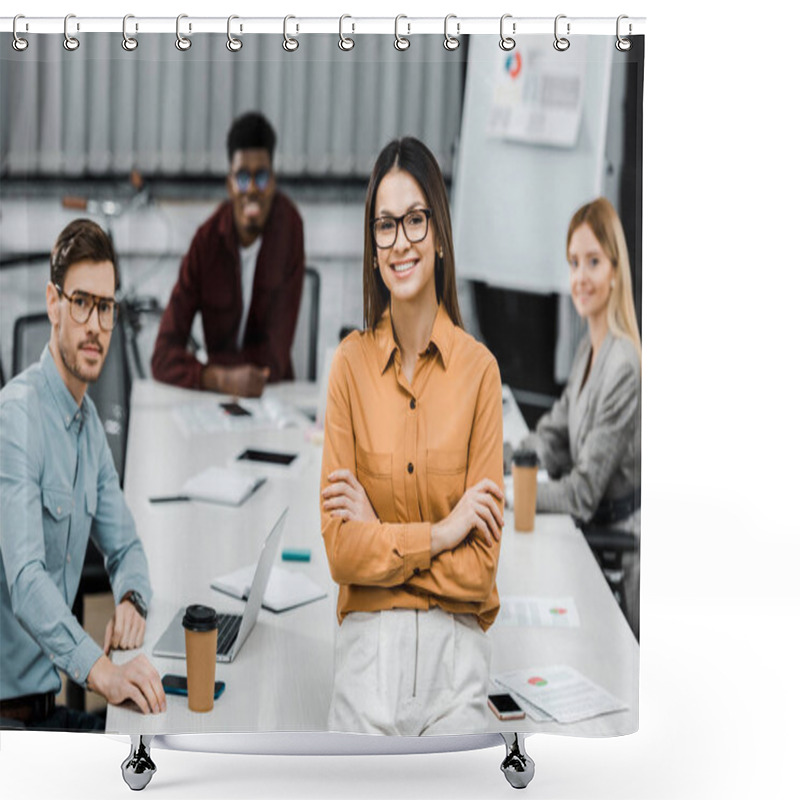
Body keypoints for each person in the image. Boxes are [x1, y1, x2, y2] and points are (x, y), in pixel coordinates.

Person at [320, 137, 505, 736]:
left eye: (415, 220)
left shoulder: (479, 374)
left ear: (440, 234)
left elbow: (479, 574)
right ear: (373, 249)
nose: (400, 241)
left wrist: (384, 539)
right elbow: (341, 553)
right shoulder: (349, 365)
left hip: (457, 664)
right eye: (384, 225)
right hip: (367, 657)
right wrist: (446, 530)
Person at [0, 219, 166, 730]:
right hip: (12, 723)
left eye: (106, 307)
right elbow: (26, 581)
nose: (95, 324)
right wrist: (102, 671)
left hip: (48, 708)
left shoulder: (87, 426)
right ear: (53, 303)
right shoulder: (16, 418)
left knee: (159, 753)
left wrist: (132, 599)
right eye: (81, 302)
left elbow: (126, 547)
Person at [519, 197, 641, 637]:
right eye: (573, 263)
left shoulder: (623, 364)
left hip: (618, 559)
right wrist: (500, 461)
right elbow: (554, 433)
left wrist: (514, 494)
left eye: (593, 262)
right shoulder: (589, 349)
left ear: (615, 270)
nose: (580, 277)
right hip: (590, 538)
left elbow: (585, 492)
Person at [151, 111, 305, 397]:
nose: (252, 191)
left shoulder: (289, 229)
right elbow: (162, 355)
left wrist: (209, 367)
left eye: (261, 178)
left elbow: (275, 357)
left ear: (272, 182)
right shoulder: (206, 243)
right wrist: (218, 379)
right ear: (230, 185)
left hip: (274, 395)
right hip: (213, 398)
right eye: (243, 178)